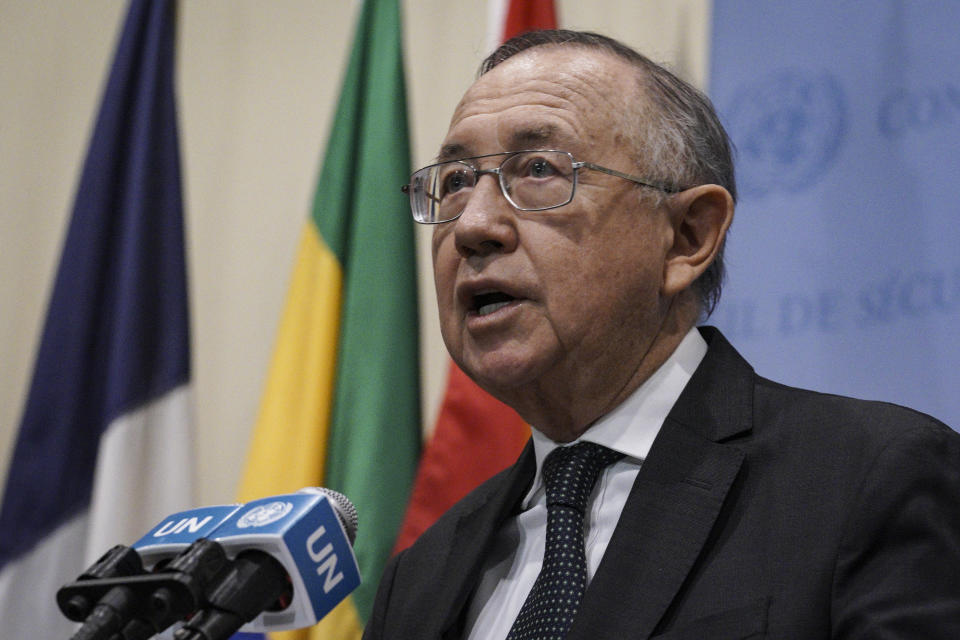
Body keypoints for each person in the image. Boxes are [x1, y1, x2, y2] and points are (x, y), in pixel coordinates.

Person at [364, 30, 960, 639]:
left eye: (539, 169)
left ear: (687, 237)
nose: (474, 224)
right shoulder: (419, 577)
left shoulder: (868, 479)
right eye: (457, 179)